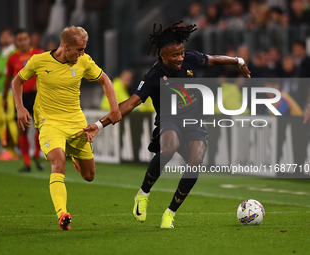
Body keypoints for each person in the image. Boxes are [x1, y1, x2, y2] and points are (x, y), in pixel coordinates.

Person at [82, 21, 251, 228]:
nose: (180, 58)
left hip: (193, 122)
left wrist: (239, 60)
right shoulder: (154, 76)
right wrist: (100, 125)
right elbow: (131, 103)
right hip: (169, 120)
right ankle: (143, 194)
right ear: (162, 56)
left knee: (196, 162)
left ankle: (169, 213)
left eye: (181, 53)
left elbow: (214, 59)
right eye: (175, 55)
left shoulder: (191, 58)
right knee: (169, 148)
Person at [11, 26, 121, 230]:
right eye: (79, 49)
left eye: (84, 49)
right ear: (66, 46)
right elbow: (17, 81)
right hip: (49, 123)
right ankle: (62, 214)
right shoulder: (38, 61)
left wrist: (114, 110)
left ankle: (77, 160)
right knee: (58, 162)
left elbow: (105, 80)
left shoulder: (84, 62)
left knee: (89, 176)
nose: (82, 54)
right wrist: (20, 108)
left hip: (76, 124)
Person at [3, 29, 44, 172]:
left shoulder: (39, 54)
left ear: (29, 39)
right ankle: (26, 162)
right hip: (20, 98)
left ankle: (37, 155)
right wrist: (3, 96)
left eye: (25, 39)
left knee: (40, 127)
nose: (23, 42)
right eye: (19, 39)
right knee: (23, 130)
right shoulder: (12, 58)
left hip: (37, 97)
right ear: (16, 41)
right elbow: (8, 79)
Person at [0, 28, 19, 160]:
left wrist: (0, 72)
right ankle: (8, 148)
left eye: (6, 36)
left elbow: (14, 70)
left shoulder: (14, 53)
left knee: (8, 120)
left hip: (10, 91)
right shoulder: (0, 54)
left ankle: (13, 150)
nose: (2, 38)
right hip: (0, 90)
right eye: (1, 36)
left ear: (12, 38)